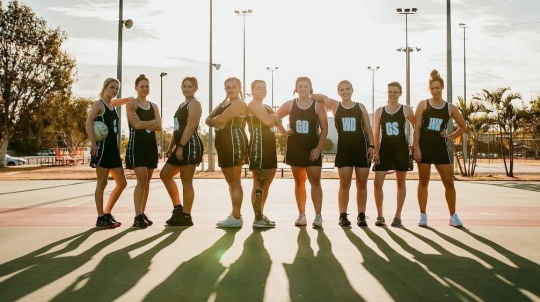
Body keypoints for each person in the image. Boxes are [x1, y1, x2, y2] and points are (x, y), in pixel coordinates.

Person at [413, 69, 467, 227]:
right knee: (423, 181)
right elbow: (417, 127)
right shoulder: (423, 104)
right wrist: (416, 148)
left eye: (437, 88)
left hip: (440, 149)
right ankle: (422, 215)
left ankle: (453, 216)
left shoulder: (450, 108)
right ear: (429, 89)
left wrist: (450, 136)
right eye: (432, 88)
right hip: (424, 148)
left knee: (449, 183)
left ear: (442, 87)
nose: (435, 91)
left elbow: (463, 126)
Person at [319, 80, 374, 227]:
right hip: (344, 150)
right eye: (342, 89)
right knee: (345, 183)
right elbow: (314, 96)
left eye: (347, 89)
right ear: (338, 92)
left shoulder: (360, 107)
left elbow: (368, 128)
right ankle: (343, 215)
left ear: (352, 90)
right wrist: (325, 99)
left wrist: (371, 146)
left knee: (362, 183)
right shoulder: (336, 106)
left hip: (361, 149)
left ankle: (361, 215)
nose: (345, 92)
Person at [275, 77, 328, 228]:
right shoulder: (290, 104)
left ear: (310, 88)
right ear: (296, 88)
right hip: (295, 148)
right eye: (300, 86)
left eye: (306, 86)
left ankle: (318, 216)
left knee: (315, 181)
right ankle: (302, 215)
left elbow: (324, 128)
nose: (303, 88)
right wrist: (284, 131)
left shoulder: (317, 105)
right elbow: (275, 117)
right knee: (299, 181)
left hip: (312, 149)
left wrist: (318, 148)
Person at [85, 77, 131, 228]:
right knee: (102, 183)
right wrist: (93, 143)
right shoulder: (99, 104)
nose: (115, 90)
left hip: (113, 149)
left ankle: (107, 212)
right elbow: (88, 122)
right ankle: (100, 217)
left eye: (117, 88)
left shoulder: (111, 104)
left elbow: (117, 101)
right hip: (102, 148)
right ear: (105, 87)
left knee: (122, 183)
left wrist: (129, 99)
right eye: (112, 87)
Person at [160, 76, 204, 226]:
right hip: (179, 145)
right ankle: (178, 208)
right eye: (184, 86)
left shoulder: (195, 103)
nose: (186, 88)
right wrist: (170, 146)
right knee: (165, 175)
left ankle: (186, 216)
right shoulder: (181, 104)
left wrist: (181, 147)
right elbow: (177, 128)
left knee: (186, 181)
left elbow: (191, 126)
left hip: (189, 145)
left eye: (190, 86)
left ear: (196, 88)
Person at [205, 77, 248, 228]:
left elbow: (218, 119)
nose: (230, 89)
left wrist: (218, 121)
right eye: (227, 87)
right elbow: (208, 120)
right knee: (230, 181)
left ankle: (237, 217)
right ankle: (235, 213)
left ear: (240, 88)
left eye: (233, 87)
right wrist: (218, 121)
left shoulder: (240, 103)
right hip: (223, 142)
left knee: (235, 181)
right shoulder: (223, 103)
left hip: (234, 142)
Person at [372, 81, 415, 227]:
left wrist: (414, 144)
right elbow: (376, 132)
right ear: (387, 93)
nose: (392, 94)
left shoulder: (406, 110)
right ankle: (380, 216)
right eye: (390, 92)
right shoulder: (380, 111)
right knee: (377, 183)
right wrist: (375, 150)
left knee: (401, 182)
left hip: (401, 150)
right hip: (384, 150)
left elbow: (417, 127)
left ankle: (397, 216)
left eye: (395, 92)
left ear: (400, 93)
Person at [246, 80, 286, 228]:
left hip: (269, 148)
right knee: (259, 182)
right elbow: (269, 122)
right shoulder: (253, 104)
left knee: (267, 183)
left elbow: (278, 124)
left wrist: (284, 131)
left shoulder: (265, 106)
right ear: (252, 91)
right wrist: (275, 117)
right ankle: (257, 219)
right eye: (258, 88)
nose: (262, 91)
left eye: (264, 88)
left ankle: (261, 214)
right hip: (258, 147)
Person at [126, 74, 162, 228]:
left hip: (150, 146)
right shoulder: (131, 105)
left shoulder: (154, 106)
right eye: (142, 86)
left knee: (147, 182)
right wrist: (153, 122)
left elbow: (159, 127)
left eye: (147, 86)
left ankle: (142, 213)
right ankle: (137, 215)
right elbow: (137, 125)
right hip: (137, 146)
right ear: (136, 87)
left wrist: (150, 123)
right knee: (141, 181)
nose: (145, 89)